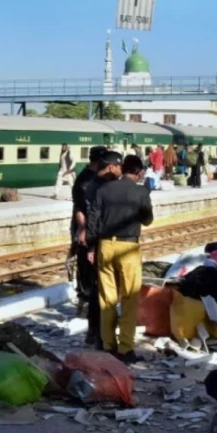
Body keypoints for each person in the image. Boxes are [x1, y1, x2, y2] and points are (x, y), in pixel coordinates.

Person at [89, 152, 153, 361]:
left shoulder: (104, 189)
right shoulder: (141, 191)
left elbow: (93, 220)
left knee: (107, 299)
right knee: (129, 298)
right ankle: (126, 348)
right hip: (128, 248)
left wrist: (91, 247)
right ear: (139, 172)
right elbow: (147, 220)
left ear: (123, 168)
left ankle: (108, 346)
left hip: (105, 245)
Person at [72, 146, 108, 347]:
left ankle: (96, 326)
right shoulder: (85, 181)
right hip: (87, 234)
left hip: (95, 232)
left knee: (97, 283)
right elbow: (80, 209)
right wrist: (84, 230)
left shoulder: (98, 180)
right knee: (91, 281)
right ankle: (93, 327)